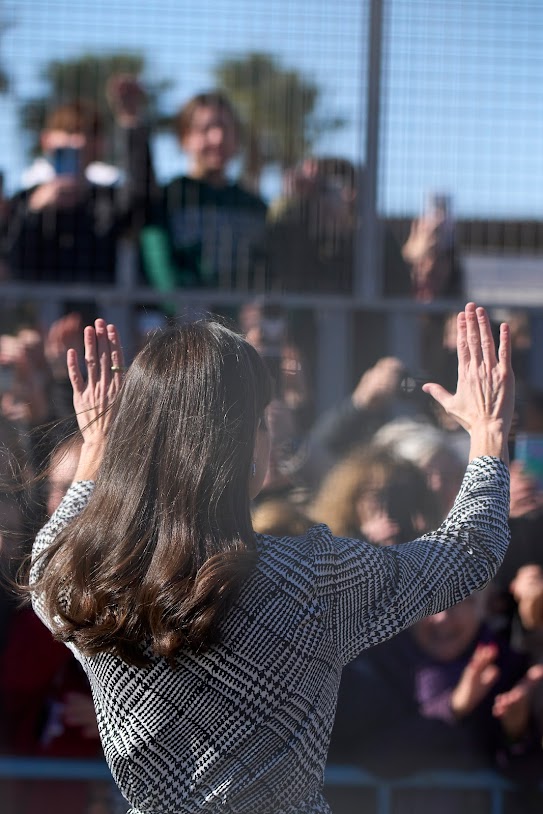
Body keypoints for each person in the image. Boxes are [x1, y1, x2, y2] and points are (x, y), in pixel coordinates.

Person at [27, 302, 513, 813]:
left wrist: (97, 446)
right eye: (260, 423)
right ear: (242, 447)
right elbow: (469, 552)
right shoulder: (311, 578)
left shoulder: (84, 580)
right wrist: (488, 434)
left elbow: (50, 548)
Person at [140, 90, 268, 292]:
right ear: (184, 137)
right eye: (206, 129)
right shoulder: (165, 200)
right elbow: (163, 278)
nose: (218, 138)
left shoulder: (255, 206)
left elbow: (267, 273)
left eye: (225, 128)